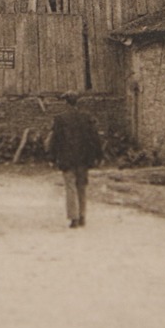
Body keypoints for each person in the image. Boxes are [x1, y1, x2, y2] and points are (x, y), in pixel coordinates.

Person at [48, 94, 102, 228]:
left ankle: (74, 218)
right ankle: (82, 216)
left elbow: (55, 140)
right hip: (83, 159)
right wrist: (99, 156)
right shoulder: (87, 117)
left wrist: (52, 158)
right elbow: (94, 139)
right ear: (77, 102)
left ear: (66, 103)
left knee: (70, 187)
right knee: (81, 187)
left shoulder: (60, 119)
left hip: (67, 159)